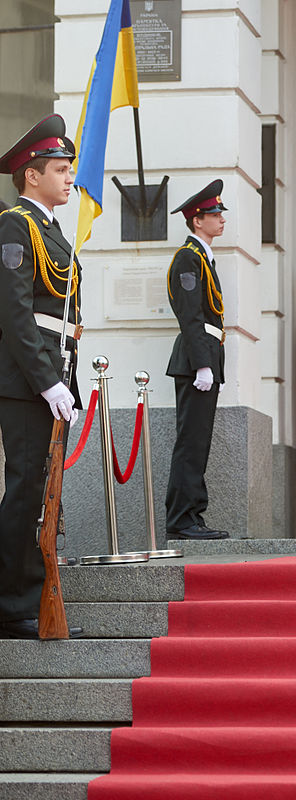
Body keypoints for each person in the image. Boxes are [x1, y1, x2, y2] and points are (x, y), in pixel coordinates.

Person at [0, 114, 83, 639]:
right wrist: (46, 381)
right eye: (60, 169)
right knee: (28, 488)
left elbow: (61, 320)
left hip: (53, 375)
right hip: (27, 380)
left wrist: (66, 380)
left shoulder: (51, 231)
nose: (70, 178)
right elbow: (14, 312)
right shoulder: (15, 225)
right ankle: (13, 604)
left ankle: (31, 587)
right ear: (32, 175)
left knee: (41, 491)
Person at [165, 180, 229, 540]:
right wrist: (202, 364)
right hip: (195, 360)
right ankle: (182, 520)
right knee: (191, 441)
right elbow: (190, 315)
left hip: (204, 356)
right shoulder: (188, 258)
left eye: (220, 213)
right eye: (215, 214)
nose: (221, 220)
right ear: (196, 220)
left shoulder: (202, 256)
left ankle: (191, 515)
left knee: (198, 441)